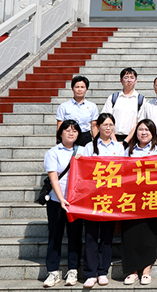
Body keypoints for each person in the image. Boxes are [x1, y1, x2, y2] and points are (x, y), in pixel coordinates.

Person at [121, 119, 157, 286]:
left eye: (147, 130)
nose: (143, 132)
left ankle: (146, 269)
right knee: (130, 233)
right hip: (131, 198)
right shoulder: (129, 150)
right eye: (140, 129)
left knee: (148, 233)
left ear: (153, 132)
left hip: (152, 197)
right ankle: (133, 271)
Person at [81, 113, 125, 288]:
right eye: (105, 125)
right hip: (92, 197)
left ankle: (102, 272)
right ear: (97, 127)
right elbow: (83, 170)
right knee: (91, 235)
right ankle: (90, 273)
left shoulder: (119, 147)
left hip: (111, 197)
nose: (108, 128)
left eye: (111, 125)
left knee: (107, 235)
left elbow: (123, 170)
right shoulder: (88, 146)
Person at [42, 120, 83, 287]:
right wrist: (61, 199)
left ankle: (73, 270)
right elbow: (54, 179)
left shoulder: (83, 151)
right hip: (56, 201)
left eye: (74, 130)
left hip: (76, 202)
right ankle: (52, 272)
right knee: (55, 236)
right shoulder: (53, 152)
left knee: (75, 236)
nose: (71, 133)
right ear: (60, 133)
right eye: (67, 130)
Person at [101, 67, 144, 143]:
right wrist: (115, 140)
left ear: (136, 80)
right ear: (121, 80)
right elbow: (106, 120)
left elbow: (139, 123)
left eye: (132, 77)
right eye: (126, 77)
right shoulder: (113, 97)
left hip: (132, 140)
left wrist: (126, 141)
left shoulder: (141, 99)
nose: (129, 80)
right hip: (112, 138)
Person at [55, 76, 98, 146]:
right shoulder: (64, 106)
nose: (80, 90)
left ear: (86, 89)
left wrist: (97, 143)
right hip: (69, 137)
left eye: (82, 87)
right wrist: (59, 142)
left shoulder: (92, 106)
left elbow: (94, 127)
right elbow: (59, 127)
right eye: (77, 87)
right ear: (72, 88)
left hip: (85, 138)